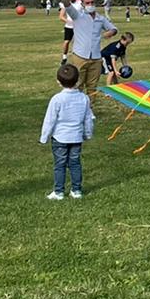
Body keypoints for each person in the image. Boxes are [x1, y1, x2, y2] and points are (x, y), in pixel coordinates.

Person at [40, 62, 94, 200]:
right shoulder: (84, 98)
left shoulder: (57, 99)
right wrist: (88, 133)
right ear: (77, 80)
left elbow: (50, 119)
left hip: (60, 138)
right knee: (75, 163)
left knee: (60, 164)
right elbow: (88, 118)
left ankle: (58, 192)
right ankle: (76, 191)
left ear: (58, 82)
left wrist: (44, 136)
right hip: (76, 138)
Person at [60, 0, 117, 97]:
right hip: (80, 56)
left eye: (92, 2)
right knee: (78, 85)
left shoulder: (100, 18)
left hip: (96, 57)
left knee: (92, 86)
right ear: (82, 4)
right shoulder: (78, 15)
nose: (90, 5)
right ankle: (78, 109)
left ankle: (89, 109)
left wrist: (111, 32)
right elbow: (68, 6)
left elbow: (113, 28)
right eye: (87, 3)